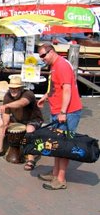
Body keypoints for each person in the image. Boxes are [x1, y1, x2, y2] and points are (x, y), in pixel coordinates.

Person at [37, 44, 82, 190]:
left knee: (63, 145)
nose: (42, 59)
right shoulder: (54, 66)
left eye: (44, 55)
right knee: (56, 143)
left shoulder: (61, 65)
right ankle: (55, 172)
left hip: (68, 112)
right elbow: (56, 88)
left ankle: (61, 179)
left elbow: (67, 90)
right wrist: (45, 97)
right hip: (57, 111)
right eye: (40, 57)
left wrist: (63, 112)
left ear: (51, 52)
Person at [0, 76, 44, 171]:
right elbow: (6, 113)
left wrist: (6, 105)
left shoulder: (28, 94)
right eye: (11, 88)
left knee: (30, 129)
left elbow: (22, 103)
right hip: (17, 119)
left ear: (21, 88)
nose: (13, 90)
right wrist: (5, 124)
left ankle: (31, 159)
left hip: (33, 119)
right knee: (0, 123)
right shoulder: (7, 96)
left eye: (16, 88)